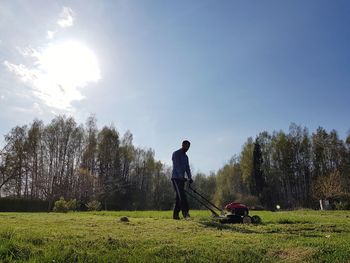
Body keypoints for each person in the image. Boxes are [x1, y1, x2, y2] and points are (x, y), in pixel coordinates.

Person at [171, 140, 193, 220]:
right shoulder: (176, 153)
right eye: (186, 146)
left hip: (182, 179)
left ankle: (175, 215)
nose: (187, 148)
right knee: (181, 196)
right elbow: (176, 166)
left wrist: (190, 177)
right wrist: (181, 176)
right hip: (176, 178)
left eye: (188, 147)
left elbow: (187, 168)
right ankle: (185, 213)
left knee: (178, 197)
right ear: (182, 145)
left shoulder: (186, 157)